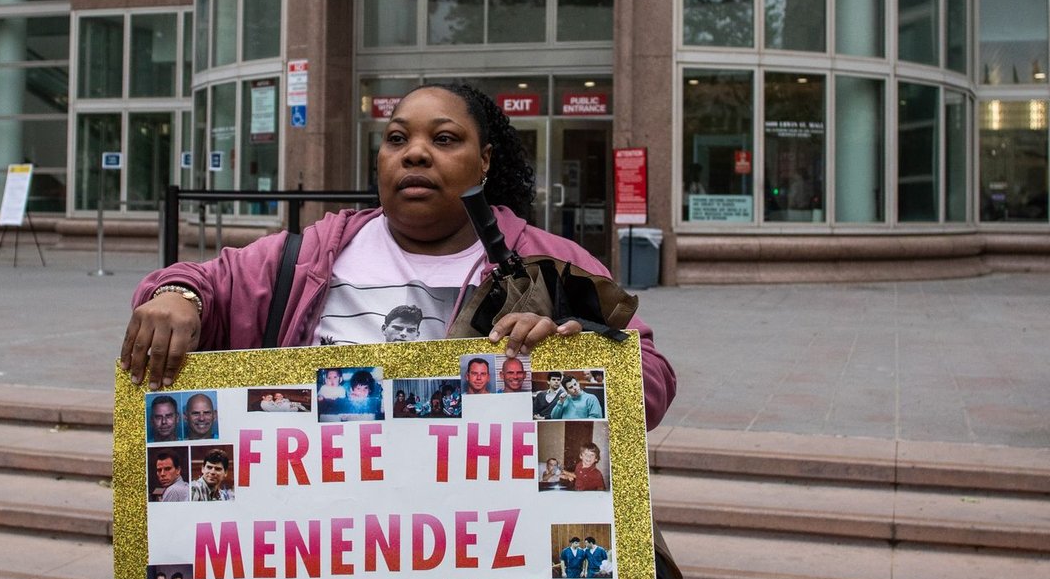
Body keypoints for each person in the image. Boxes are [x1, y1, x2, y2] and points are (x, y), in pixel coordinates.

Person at [119, 83, 675, 433]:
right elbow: (196, 282)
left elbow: (649, 380)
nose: (415, 153)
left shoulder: (548, 262)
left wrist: (567, 358)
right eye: (396, 138)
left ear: (484, 161)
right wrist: (177, 297)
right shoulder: (308, 255)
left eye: (445, 139)